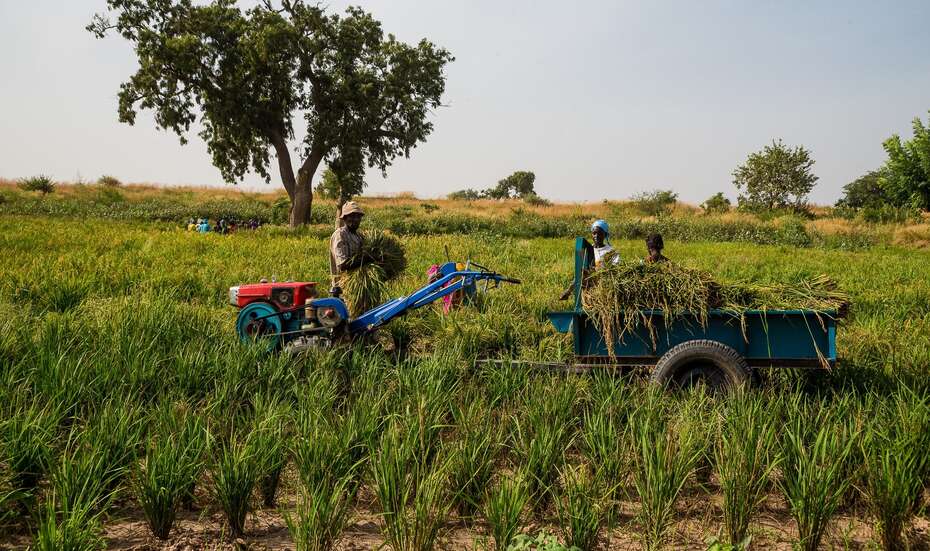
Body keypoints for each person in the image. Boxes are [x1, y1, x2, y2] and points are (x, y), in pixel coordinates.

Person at [559, 219, 620, 300]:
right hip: (588, 281)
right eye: (594, 233)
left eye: (600, 233)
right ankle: (568, 291)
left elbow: (615, 268)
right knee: (582, 274)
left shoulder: (611, 251)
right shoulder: (588, 249)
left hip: (604, 282)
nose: (596, 236)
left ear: (605, 235)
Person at [329, 201, 365, 297]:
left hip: (358, 287)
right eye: (352, 216)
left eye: (358, 217)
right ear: (344, 218)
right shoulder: (340, 235)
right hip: (343, 289)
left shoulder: (359, 236)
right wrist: (367, 259)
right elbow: (343, 265)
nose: (355, 219)